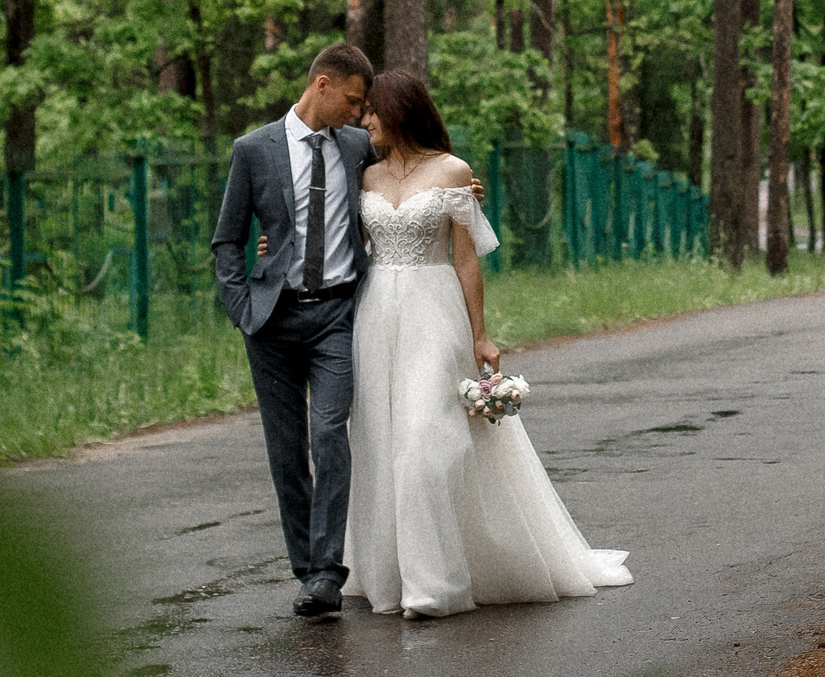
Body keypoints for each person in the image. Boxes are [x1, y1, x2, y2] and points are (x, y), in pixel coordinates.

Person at [345, 68, 634, 618]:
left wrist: (480, 332)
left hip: (435, 313)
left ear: (398, 110)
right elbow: (345, 241)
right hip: (376, 313)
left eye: (372, 112)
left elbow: (465, 256)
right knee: (381, 440)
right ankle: (389, 572)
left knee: (428, 440)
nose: (365, 121)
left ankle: (435, 588)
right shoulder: (365, 175)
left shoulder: (453, 171)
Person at [210, 41, 376, 619]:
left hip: (335, 314)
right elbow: (228, 238)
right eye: (352, 102)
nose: (357, 115)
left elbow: (411, 167)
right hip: (272, 320)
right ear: (323, 84)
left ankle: (329, 571)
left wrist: (462, 189)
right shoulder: (252, 150)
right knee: (286, 451)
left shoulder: (358, 147)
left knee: (329, 435)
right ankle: (308, 571)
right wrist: (240, 305)